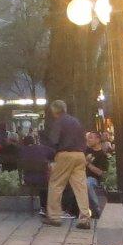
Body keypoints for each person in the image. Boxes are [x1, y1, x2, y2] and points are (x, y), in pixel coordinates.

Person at [42, 99, 92, 230]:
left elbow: (54, 141)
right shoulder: (76, 121)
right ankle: (85, 218)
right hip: (80, 155)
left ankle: (54, 217)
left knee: (56, 184)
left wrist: (51, 156)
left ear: (54, 110)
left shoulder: (59, 122)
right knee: (80, 187)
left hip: (64, 154)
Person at [83, 130, 109, 219]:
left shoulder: (102, 155)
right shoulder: (86, 151)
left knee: (88, 183)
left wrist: (88, 164)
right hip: (81, 176)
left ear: (98, 140)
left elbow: (101, 172)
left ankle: (96, 210)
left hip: (93, 179)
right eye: (88, 138)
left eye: (91, 138)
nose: (88, 140)